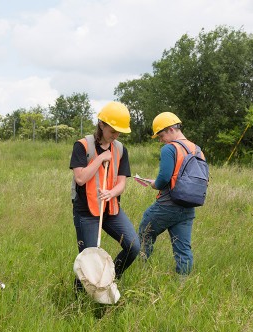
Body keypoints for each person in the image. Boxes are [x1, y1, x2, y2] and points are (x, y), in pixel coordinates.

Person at [70, 101, 140, 292]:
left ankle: (106, 281)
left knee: (133, 246)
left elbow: (121, 184)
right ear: (101, 124)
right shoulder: (82, 146)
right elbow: (80, 178)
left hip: (111, 209)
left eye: (119, 132)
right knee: (88, 259)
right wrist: (100, 158)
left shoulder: (120, 149)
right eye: (112, 130)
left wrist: (112, 192)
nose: (116, 135)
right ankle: (79, 296)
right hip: (86, 211)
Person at [138, 112, 204, 275]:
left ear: (170, 130)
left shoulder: (169, 148)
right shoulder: (196, 149)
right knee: (183, 249)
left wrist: (154, 184)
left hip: (167, 205)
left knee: (144, 233)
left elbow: (163, 179)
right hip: (188, 206)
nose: (160, 140)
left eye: (160, 135)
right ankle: (182, 286)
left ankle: (141, 273)